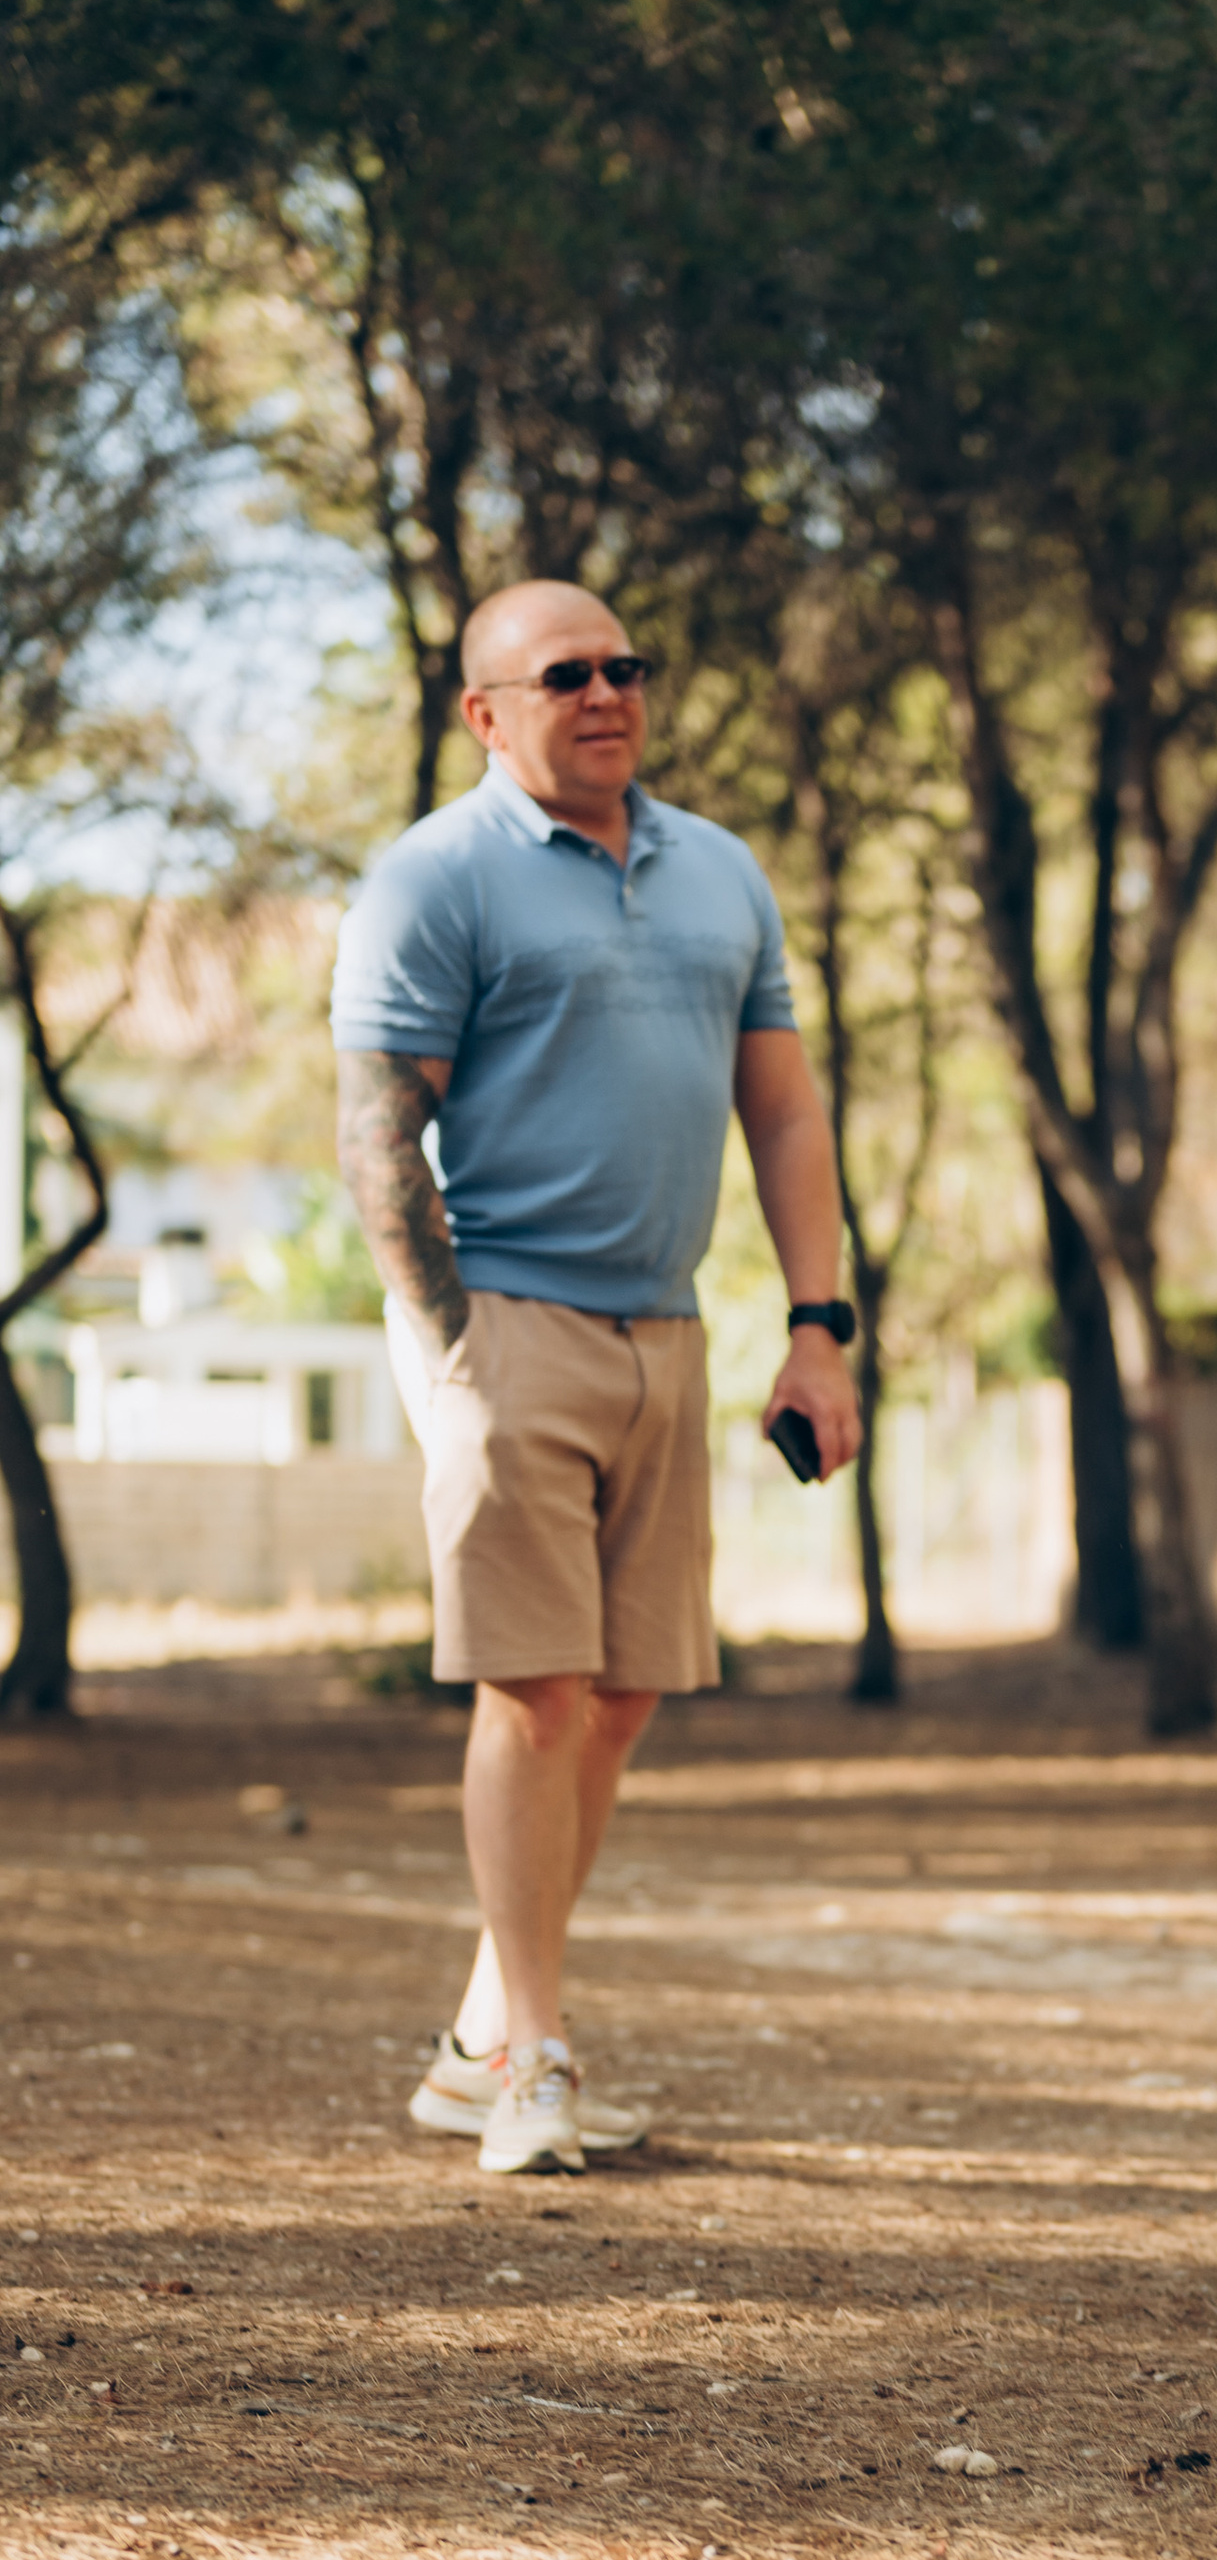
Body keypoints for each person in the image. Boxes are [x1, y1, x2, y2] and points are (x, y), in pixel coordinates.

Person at [332, 580, 859, 2174]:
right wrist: (452, 1355)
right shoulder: (435, 879)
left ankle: (483, 2038)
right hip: (508, 1321)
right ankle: (537, 2059)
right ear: (488, 711)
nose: (609, 692)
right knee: (534, 1690)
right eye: (568, 674)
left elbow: (781, 1114)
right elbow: (378, 1134)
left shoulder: (721, 873)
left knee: (623, 1697)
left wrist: (820, 1324)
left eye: (627, 666)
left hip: (670, 1329)